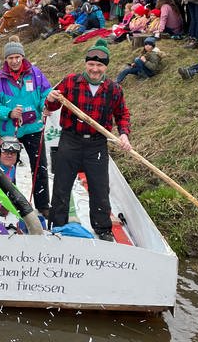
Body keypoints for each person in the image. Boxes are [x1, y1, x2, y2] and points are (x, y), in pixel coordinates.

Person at [44, 39, 132, 242]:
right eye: (91, 64)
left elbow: (122, 114)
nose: (95, 69)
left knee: (100, 187)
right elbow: (53, 106)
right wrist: (51, 99)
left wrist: (124, 134)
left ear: (105, 67)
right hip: (70, 140)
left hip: (97, 144)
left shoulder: (113, 89)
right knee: (62, 185)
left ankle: (102, 228)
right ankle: (57, 224)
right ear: (86, 64)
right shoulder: (71, 81)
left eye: (99, 65)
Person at [0, 36, 52, 216]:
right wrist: (9, 112)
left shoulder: (36, 73)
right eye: (11, 58)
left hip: (33, 128)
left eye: (18, 57)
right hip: (10, 130)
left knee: (40, 166)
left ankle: (42, 204)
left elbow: (45, 94)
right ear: (7, 60)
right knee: (7, 168)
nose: (15, 61)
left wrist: (46, 105)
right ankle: (8, 202)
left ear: (22, 57)